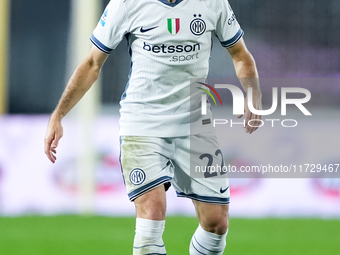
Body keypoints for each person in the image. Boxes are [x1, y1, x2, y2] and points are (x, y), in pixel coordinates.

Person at [44, 0, 262, 254]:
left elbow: (240, 54)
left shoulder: (212, 3)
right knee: (152, 211)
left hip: (195, 126)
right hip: (142, 124)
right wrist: (58, 115)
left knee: (216, 223)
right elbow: (93, 63)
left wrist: (252, 93)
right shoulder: (126, 4)